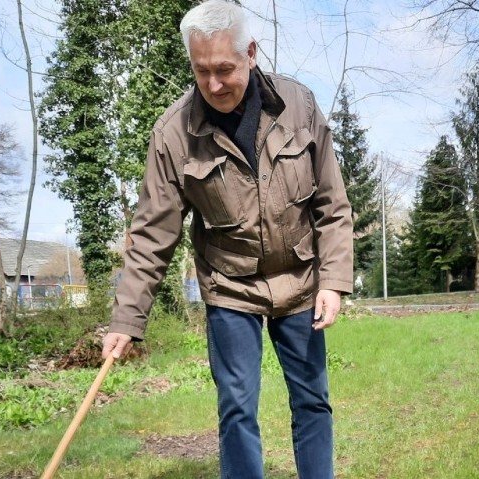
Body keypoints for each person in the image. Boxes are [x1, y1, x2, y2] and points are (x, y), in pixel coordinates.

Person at [101, 1, 353, 477]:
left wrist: (333, 281)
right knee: (237, 407)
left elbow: (332, 204)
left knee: (313, 401)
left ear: (251, 53)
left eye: (224, 69)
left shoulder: (298, 106)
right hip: (230, 288)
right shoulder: (173, 134)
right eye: (202, 72)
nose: (214, 84)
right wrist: (126, 319)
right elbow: (153, 232)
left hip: (301, 282)